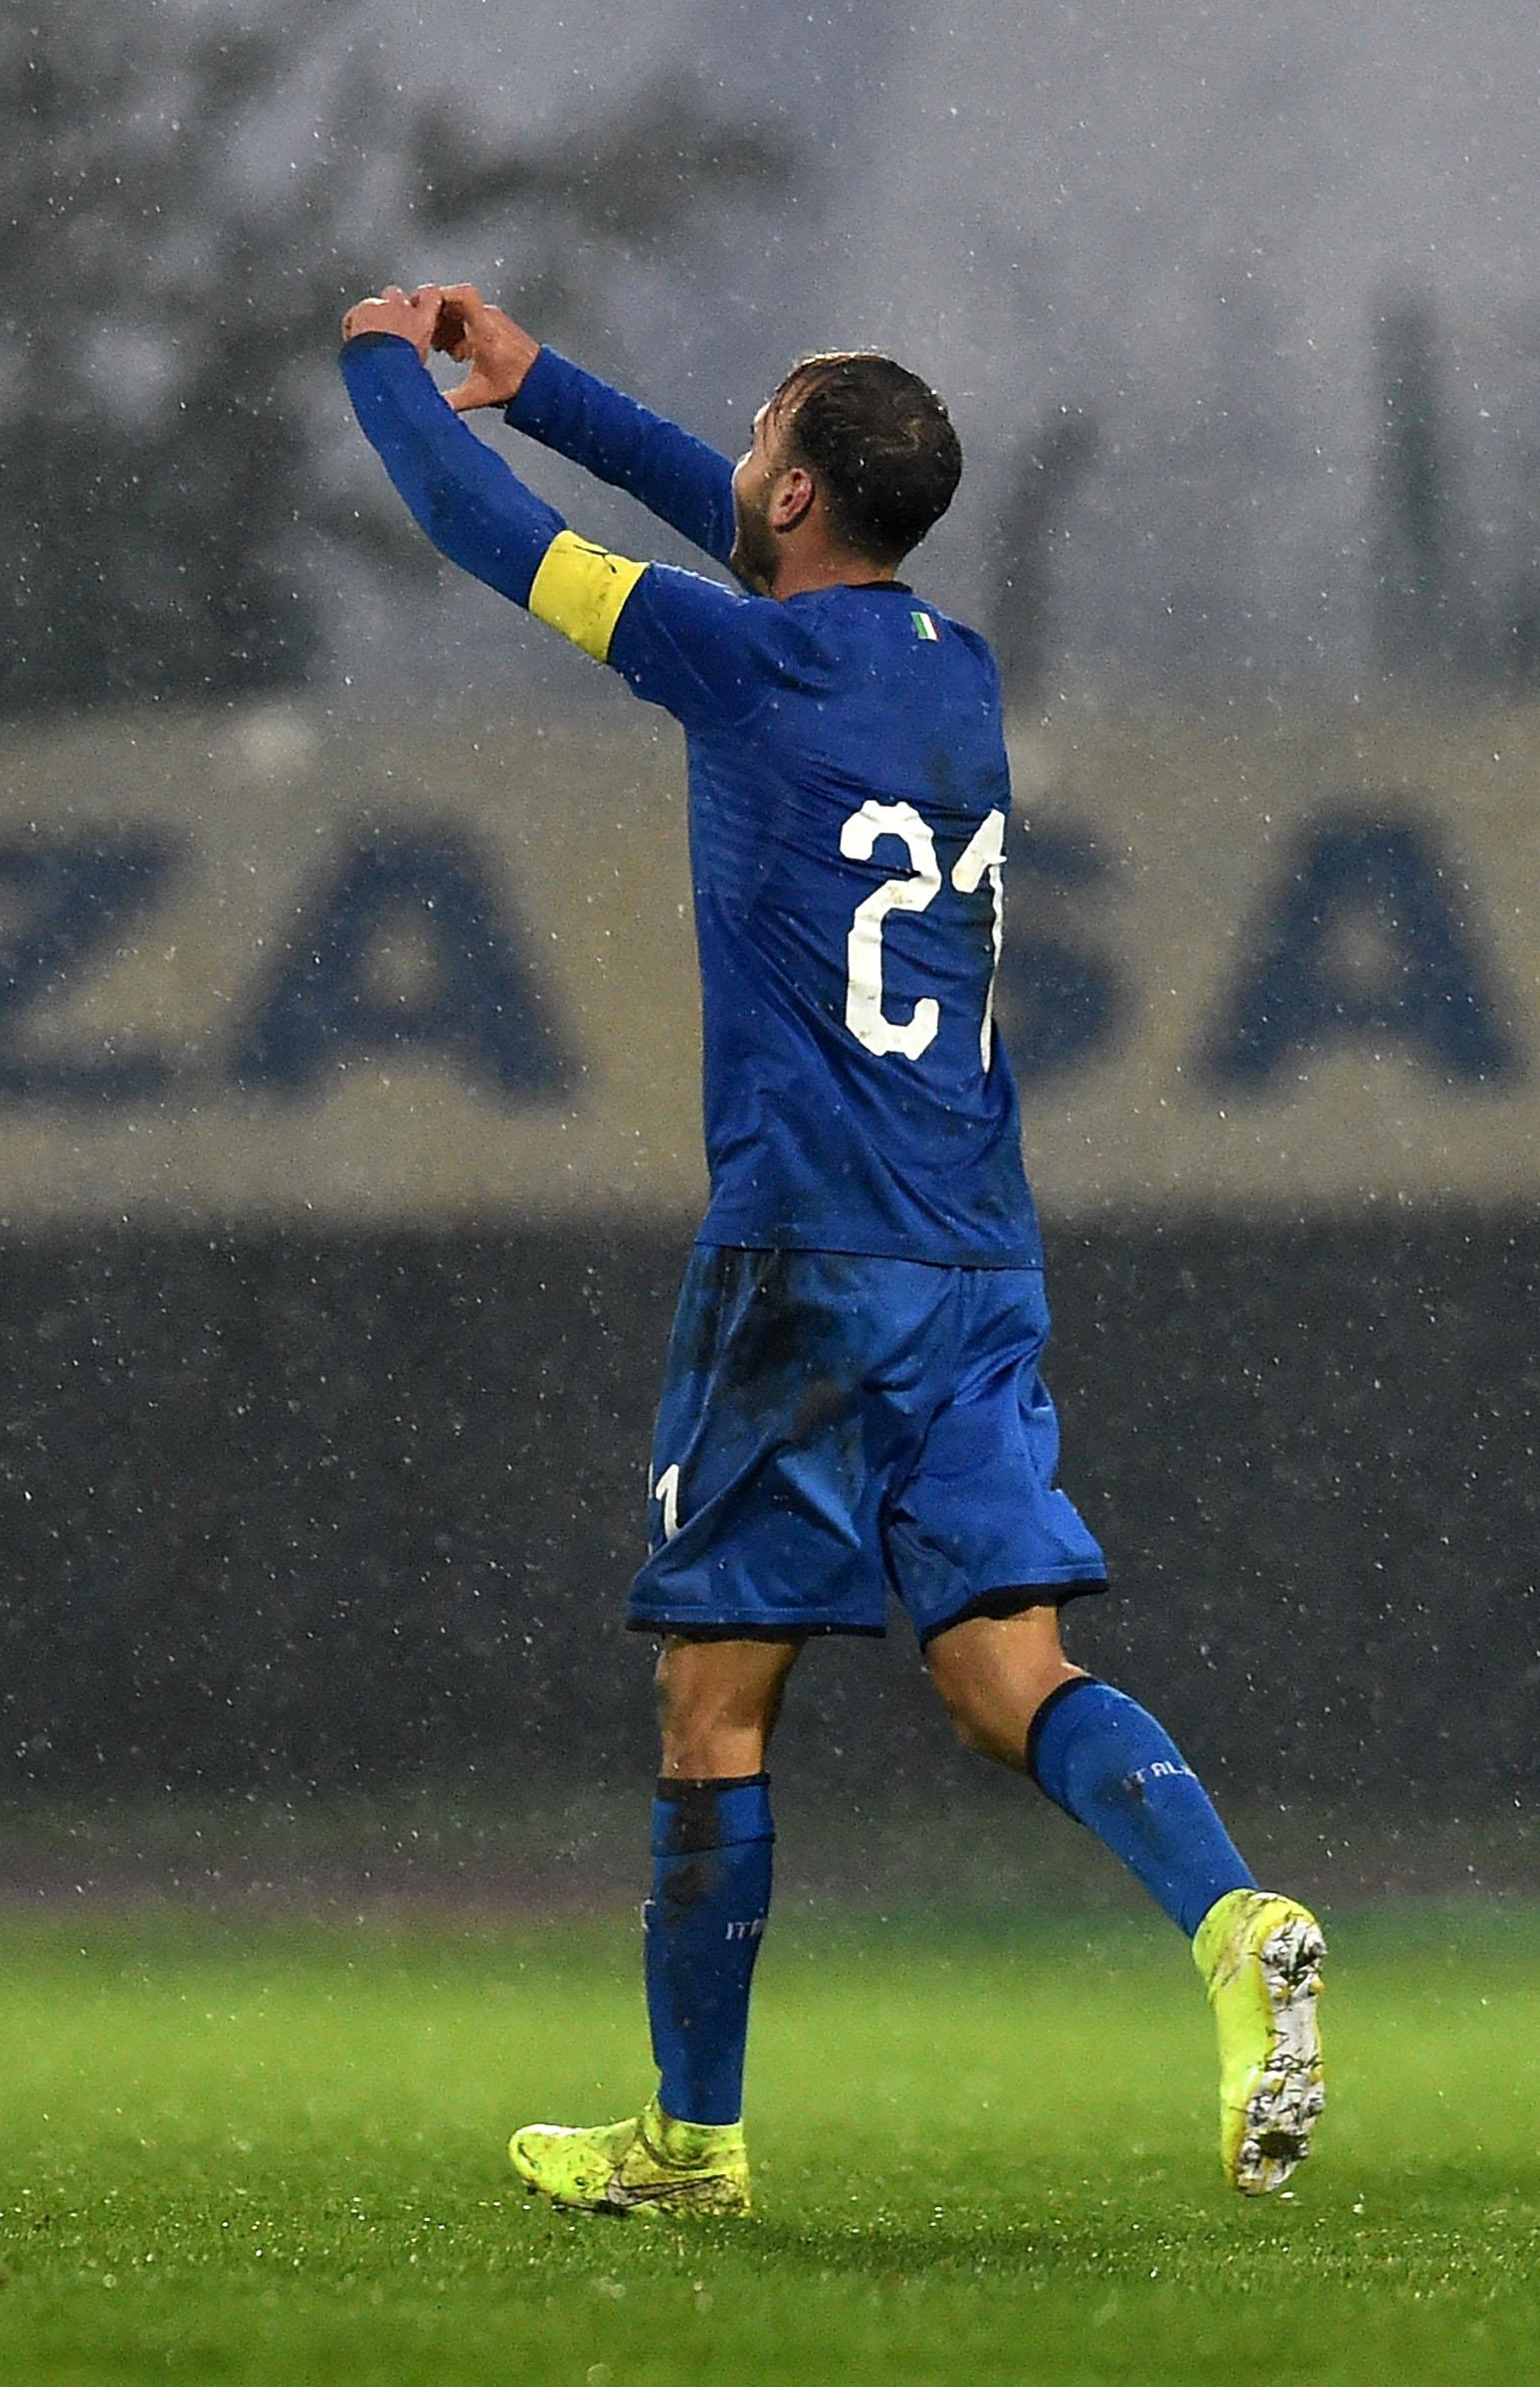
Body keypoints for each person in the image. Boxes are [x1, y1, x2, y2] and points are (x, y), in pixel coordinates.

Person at [335, 282, 1323, 2215]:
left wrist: (385, 364)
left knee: (715, 1699)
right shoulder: (953, 672)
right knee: (1000, 1671)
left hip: (803, 1252)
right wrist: (540, 383)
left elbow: (479, 535)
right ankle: (1230, 1921)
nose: (739, 464)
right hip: (974, 1250)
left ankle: (693, 2143)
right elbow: (732, 507)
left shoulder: (737, 664)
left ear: (789, 496)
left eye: (759, 442)